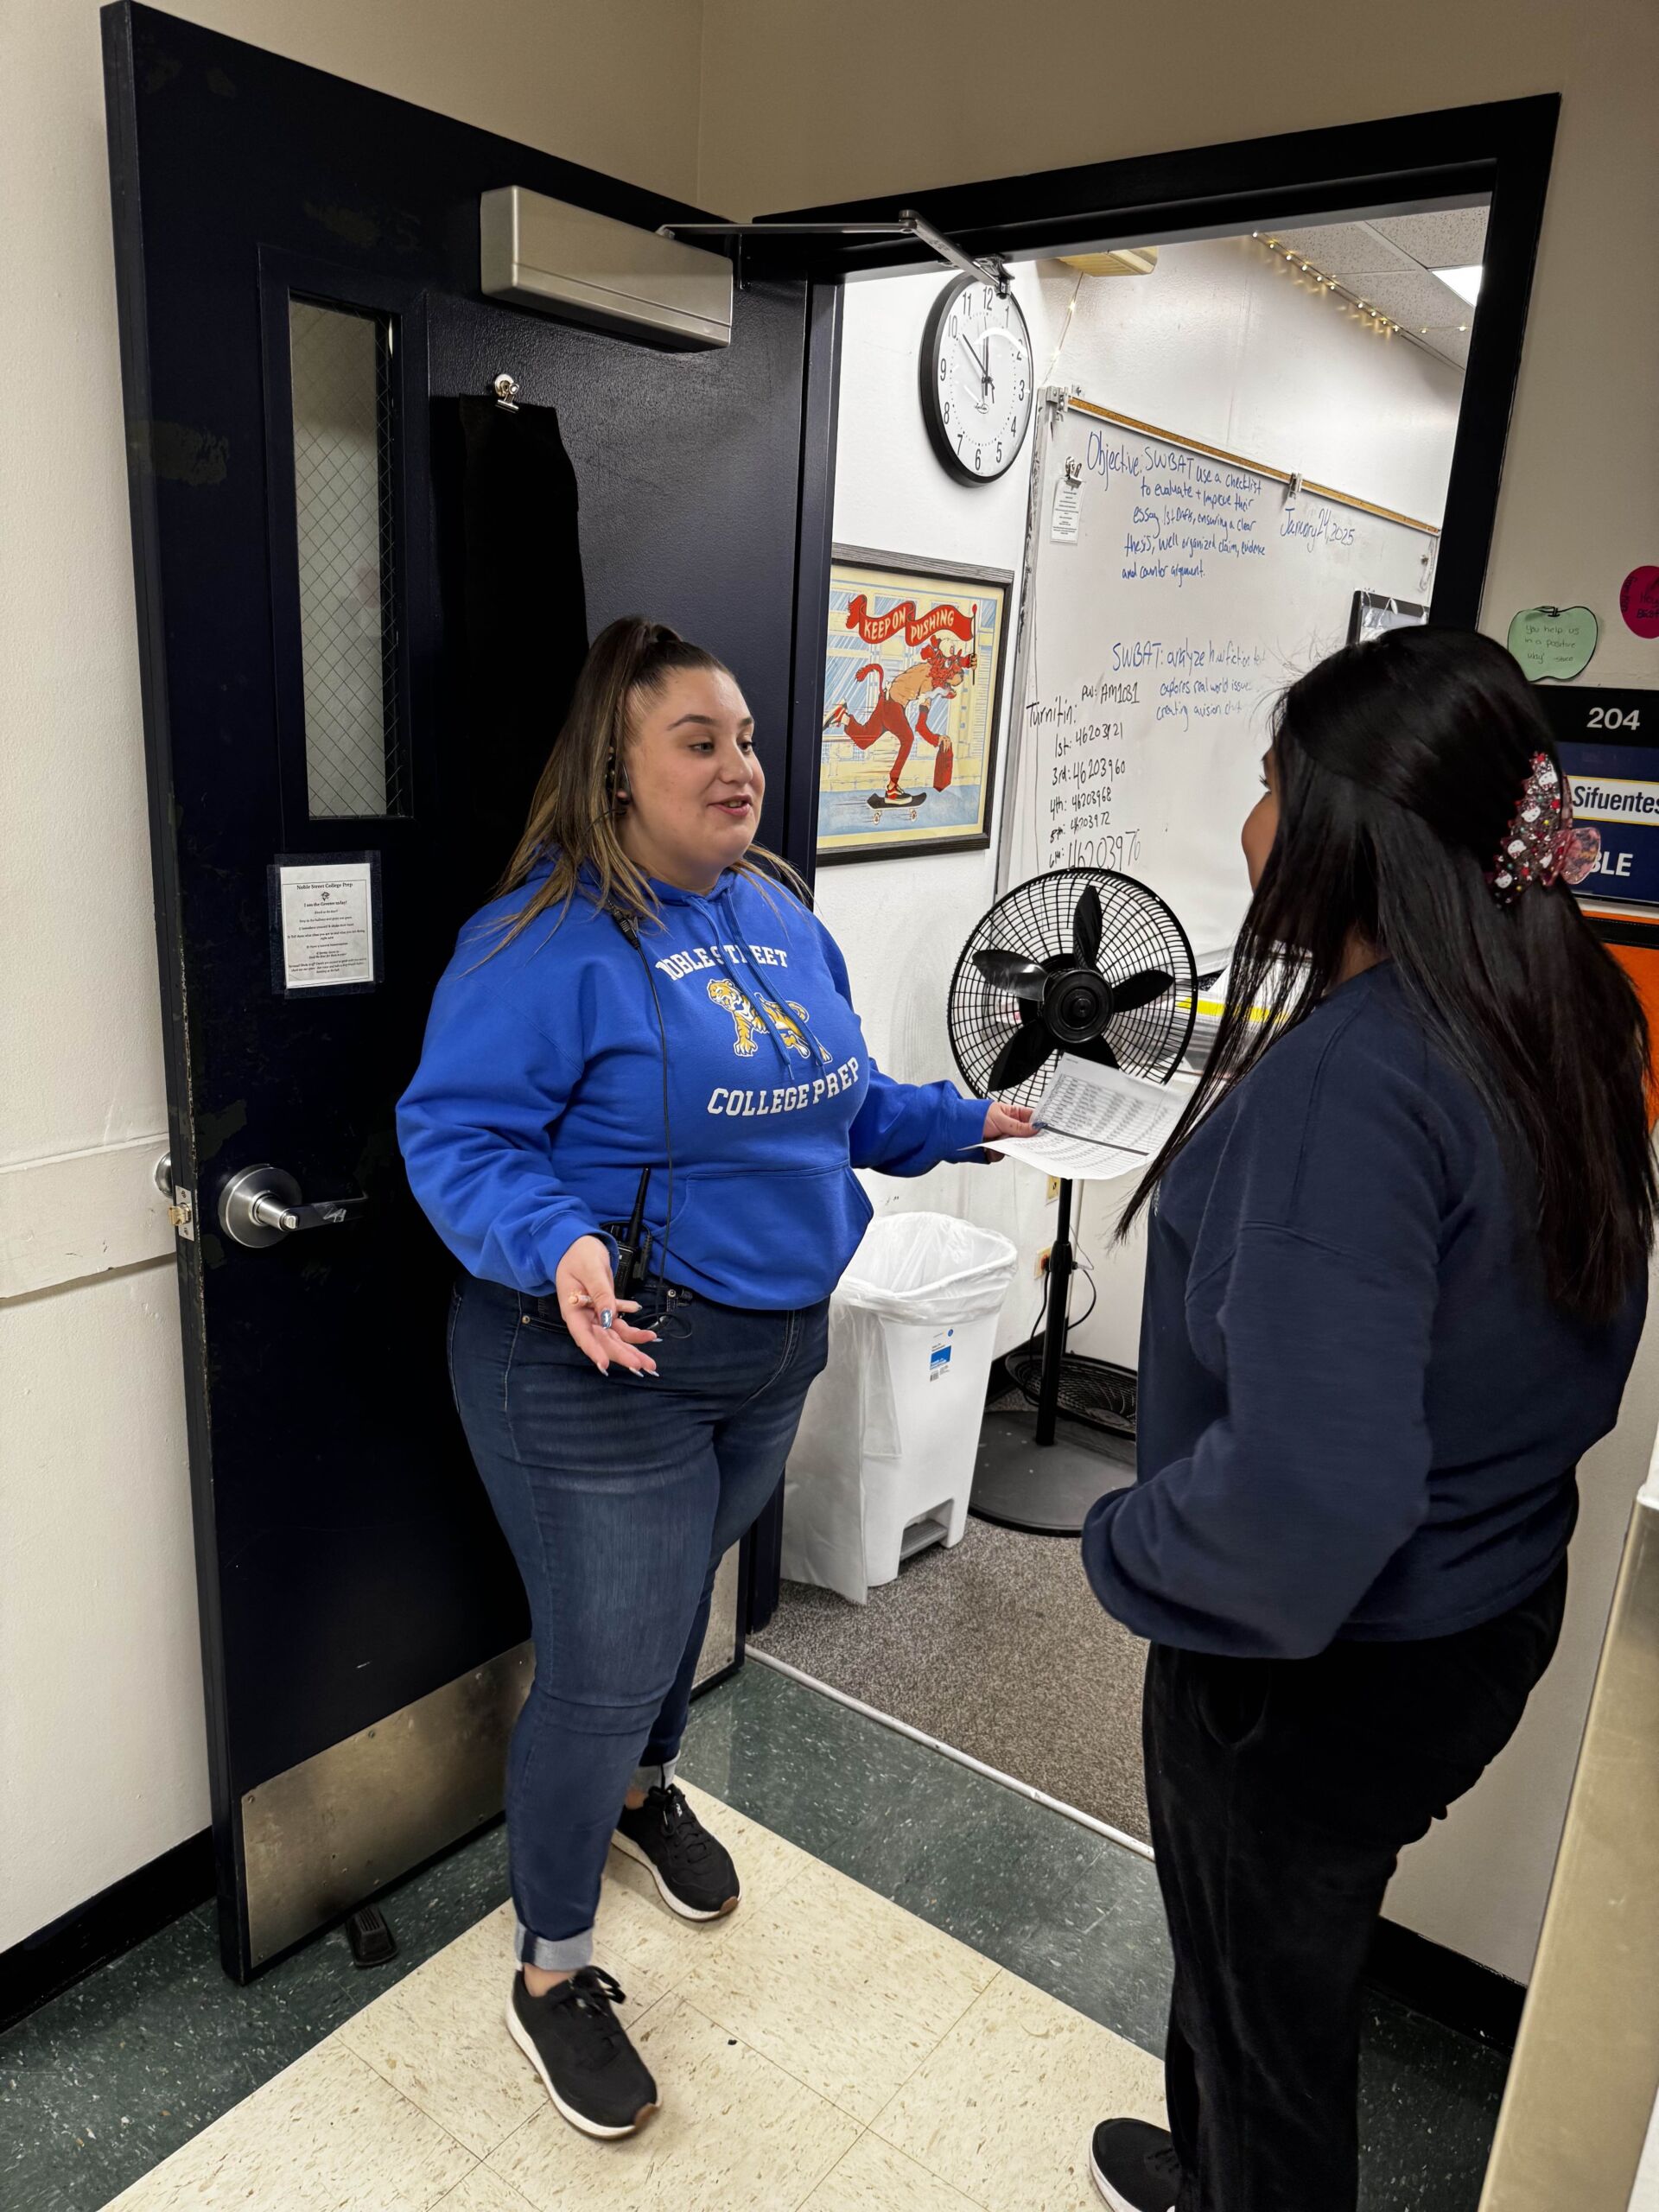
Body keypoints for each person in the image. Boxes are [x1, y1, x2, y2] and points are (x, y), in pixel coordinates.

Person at [397, 616, 1031, 2140]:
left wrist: (957, 1122)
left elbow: (832, 1102)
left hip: (769, 1348)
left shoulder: (777, 914)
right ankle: (550, 1970)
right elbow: (456, 1134)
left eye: (746, 738)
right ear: (616, 773)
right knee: (608, 1660)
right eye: (701, 741)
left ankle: (634, 1797)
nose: (742, 766)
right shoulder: (542, 939)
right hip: (602, 1360)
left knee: (680, 1610)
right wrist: (553, 1238)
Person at [1081, 626, 1654, 2212]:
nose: (1249, 826)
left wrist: (1125, 1543)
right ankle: (1206, 2173)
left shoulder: (1357, 1079)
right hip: (1480, 1613)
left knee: (1273, 2027)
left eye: (1269, 787)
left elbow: (1309, 1497)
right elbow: (1581, 1352)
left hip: (1309, 1661)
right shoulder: (1569, 1016)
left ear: (1348, 827)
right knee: (1260, 1966)